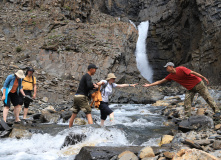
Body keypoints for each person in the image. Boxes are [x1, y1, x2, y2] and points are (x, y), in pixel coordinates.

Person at [143, 62, 220, 117]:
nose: (166, 69)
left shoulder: (181, 69)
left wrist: (203, 77)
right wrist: (149, 85)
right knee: (187, 101)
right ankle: (187, 117)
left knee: (207, 97)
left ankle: (217, 111)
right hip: (190, 88)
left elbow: (193, 72)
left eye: (167, 67)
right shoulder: (170, 76)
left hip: (198, 84)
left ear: (171, 66)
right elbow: (160, 81)